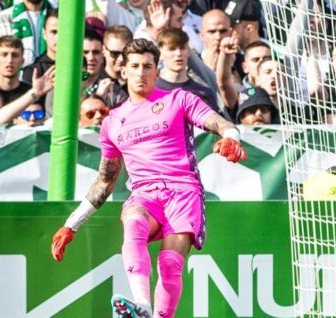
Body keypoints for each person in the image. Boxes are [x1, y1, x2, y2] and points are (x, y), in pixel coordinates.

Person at [50, 38, 247, 318]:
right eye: (135, 66)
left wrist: (230, 136)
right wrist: (71, 225)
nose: (141, 72)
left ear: (157, 71)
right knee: (133, 225)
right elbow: (105, 181)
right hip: (145, 194)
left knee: (169, 264)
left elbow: (220, 122)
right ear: (123, 71)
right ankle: (141, 305)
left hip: (184, 192)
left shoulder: (178, 99)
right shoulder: (112, 122)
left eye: (147, 66)